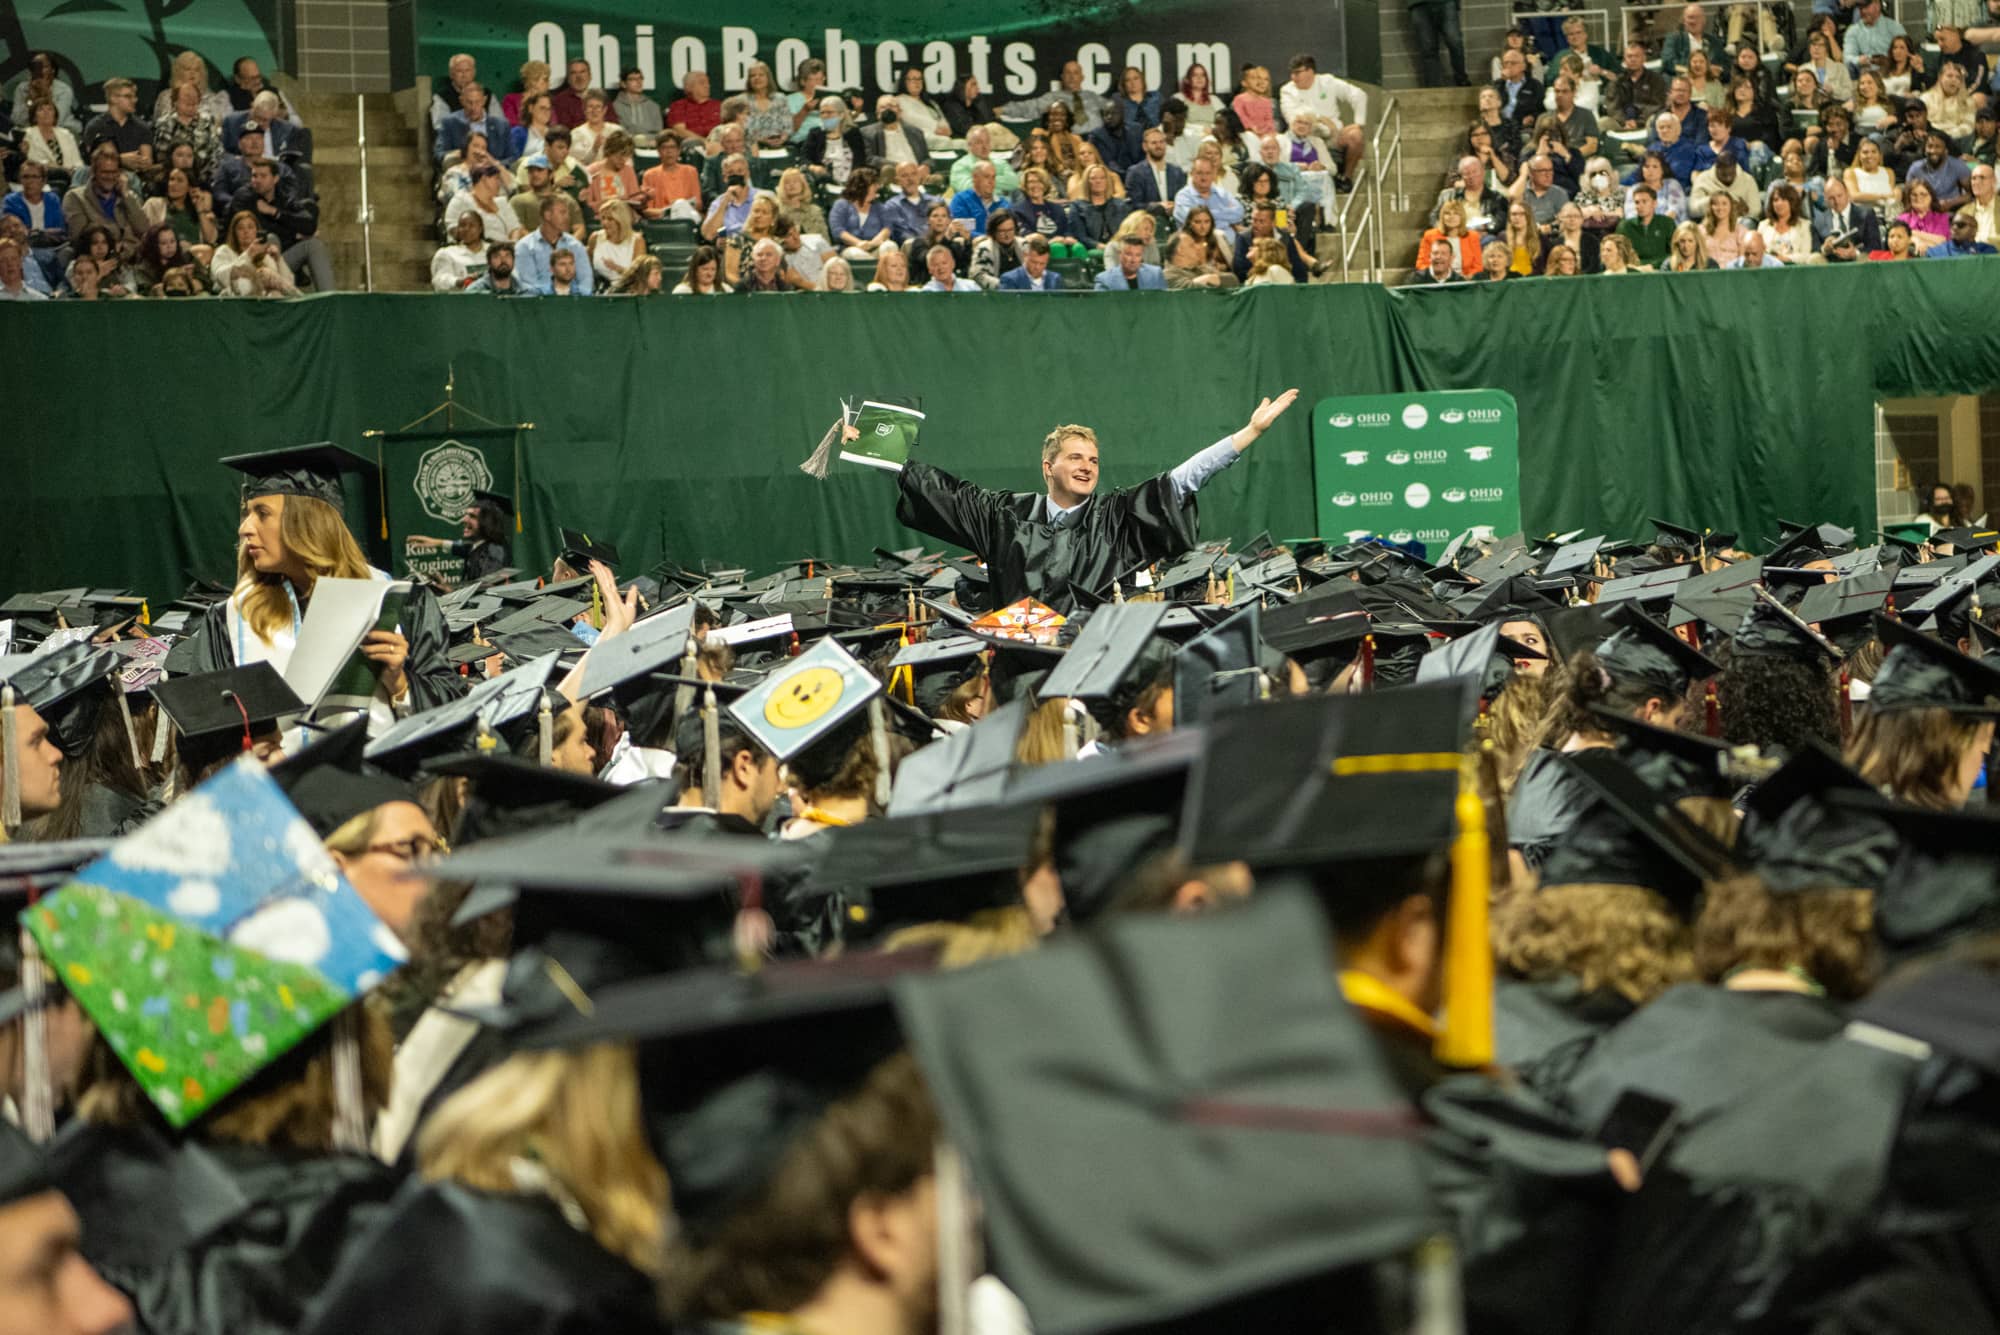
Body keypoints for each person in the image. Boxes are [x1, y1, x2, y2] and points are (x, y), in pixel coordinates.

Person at [882, 389, 1296, 612]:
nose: (1087, 466)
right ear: (1048, 467)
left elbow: (1183, 480)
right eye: (1075, 458)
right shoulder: (1006, 514)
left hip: (1086, 658)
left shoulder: (1115, 517)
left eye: (1094, 460)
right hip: (1017, 661)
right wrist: (875, 443)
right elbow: (941, 490)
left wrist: (1248, 435)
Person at [236, 155, 334, 291]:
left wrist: (275, 212)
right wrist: (294, 234)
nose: (256, 180)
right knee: (271, 238)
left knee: (314, 245)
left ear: (275, 179)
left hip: (280, 261)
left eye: (263, 176)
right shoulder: (244, 197)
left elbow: (309, 226)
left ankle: (328, 301)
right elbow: (257, 233)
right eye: (254, 176)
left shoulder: (284, 198)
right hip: (252, 260)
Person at [62, 142, 147, 251]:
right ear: (93, 172)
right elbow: (79, 239)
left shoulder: (128, 196)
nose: (110, 177)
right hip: (97, 259)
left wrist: (126, 196)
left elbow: (143, 229)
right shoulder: (75, 198)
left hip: (132, 257)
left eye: (114, 172)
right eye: (105, 172)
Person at [1000, 58, 1109, 133]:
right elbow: (1030, 106)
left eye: (1075, 73)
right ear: (1062, 77)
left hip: (1094, 142)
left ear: (1082, 77)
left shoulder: (1092, 96)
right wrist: (1003, 110)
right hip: (1069, 140)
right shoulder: (1052, 98)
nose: (1072, 77)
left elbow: (1113, 108)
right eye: (1068, 73)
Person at [515, 193, 592, 294]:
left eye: (567, 213)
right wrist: (553, 297)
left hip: (574, 302)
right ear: (548, 215)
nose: (567, 217)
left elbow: (586, 282)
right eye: (562, 213)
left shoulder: (575, 245)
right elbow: (527, 285)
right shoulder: (525, 246)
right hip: (538, 304)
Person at [81, 77, 152, 175]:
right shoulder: (95, 126)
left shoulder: (142, 127)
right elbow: (92, 161)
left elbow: (146, 162)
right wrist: (120, 160)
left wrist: (142, 162)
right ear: (113, 98)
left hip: (134, 178)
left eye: (134, 97)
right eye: (128, 96)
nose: (134, 100)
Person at [444, 161, 524, 244]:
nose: (499, 183)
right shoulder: (461, 200)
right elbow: (452, 228)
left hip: (504, 251)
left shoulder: (502, 202)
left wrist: (512, 244)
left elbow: (515, 228)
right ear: (484, 178)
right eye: (496, 178)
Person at [1814, 175, 1884, 260]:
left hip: (1859, 264)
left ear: (1847, 193)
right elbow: (1814, 250)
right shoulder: (1819, 220)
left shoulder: (1866, 214)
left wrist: (1856, 253)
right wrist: (1825, 249)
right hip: (1831, 265)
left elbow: (1875, 246)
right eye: (1831, 198)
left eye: (1840, 196)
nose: (1837, 201)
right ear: (1825, 199)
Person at [801, 97, 865, 184]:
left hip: (851, 181)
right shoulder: (815, 134)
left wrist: (854, 176)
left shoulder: (853, 133)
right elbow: (804, 157)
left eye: (830, 112)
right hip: (823, 180)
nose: (825, 116)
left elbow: (860, 159)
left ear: (841, 115)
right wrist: (813, 167)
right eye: (822, 113)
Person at [1408, 0, 1470, 87]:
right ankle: (1434, 87)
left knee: (1455, 42)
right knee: (1428, 49)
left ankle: (1461, 79)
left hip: (1446, 2)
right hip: (1419, 4)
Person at [586, 198, 645, 287]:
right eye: (603, 218)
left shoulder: (637, 240)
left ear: (621, 221)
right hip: (599, 289)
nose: (604, 222)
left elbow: (639, 275)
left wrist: (617, 268)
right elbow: (586, 266)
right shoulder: (595, 237)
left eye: (610, 219)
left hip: (628, 288)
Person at [639, 134, 701, 218]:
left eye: (672, 147)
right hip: (662, 219)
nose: (669, 151)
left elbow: (698, 204)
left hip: (687, 218)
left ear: (679, 150)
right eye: (664, 147)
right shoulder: (650, 175)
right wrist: (670, 211)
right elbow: (646, 210)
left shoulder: (691, 171)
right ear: (658, 151)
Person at [1617, 183, 1676, 266]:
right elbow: (1620, 255)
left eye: (1644, 201)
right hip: (1635, 270)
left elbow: (1674, 253)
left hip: (1662, 270)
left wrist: (1654, 265)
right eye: (1637, 202)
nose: (1640, 206)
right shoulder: (1625, 226)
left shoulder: (1667, 223)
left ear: (1654, 204)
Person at [1662, 3, 1725, 75]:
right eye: (1690, 17)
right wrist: (1695, 69)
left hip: (1708, 83)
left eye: (1698, 17)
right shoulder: (1674, 39)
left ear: (1704, 20)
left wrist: (1719, 71)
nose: (1694, 21)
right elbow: (1668, 63)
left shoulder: (1714, 42)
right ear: (1684, 20)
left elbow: (1725, 66)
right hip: (1682, 81)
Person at [1094, 232, 1168, 291]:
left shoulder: (1155, 275)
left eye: (1138, 255)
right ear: (1120, 254)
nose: (1133, 260)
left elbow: (1165, 304)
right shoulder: (1104, 280)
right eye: (1129, 254)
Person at [1492, 48, 1545, 130]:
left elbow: (1541, 110)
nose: (1508, 66)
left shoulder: (1535, 85)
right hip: (1500, 128)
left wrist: (1533, 117)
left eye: (1513, 63)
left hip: (1523, 128)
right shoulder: (1497, 85)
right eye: (1505, 63)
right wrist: (1502, 83)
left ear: (1523, 66)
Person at [949, 161, 1003, 235]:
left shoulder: (1003, 203)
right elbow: (961, 230)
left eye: (993, 177)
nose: (991, 181)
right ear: (975, 178)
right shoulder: (961, 200)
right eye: (986, 177)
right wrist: (987, 240)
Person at [996, 234, 1064, 290]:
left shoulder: (1055, 279)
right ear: (1025, 256)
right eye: (1034, 262)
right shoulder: (1009, 279)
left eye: (1042, 263)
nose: (1037, 267)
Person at [1701, 188, 1750, 264]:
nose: (1720, 208)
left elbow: (1743, 262)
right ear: (1710, 207)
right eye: (1716, 204)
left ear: (1731, 207)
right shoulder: (1701, 230)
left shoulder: (1741, 231)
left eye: (1724, 204)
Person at [1896, 177, 1952, 244]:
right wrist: (1916, 241)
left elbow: (1942, 241)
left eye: (1923, 194)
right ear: (1909, 197)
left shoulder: (1942, 217)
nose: (1918, 197)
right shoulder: (1902, 218)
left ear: (1931, 197)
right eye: (1914, 195)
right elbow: (1899, 241)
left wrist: (1913, 233)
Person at [666, 70, 718, 141]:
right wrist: (704, 142)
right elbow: (680, 131)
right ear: (688, 87)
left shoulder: (718, 106)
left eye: (708, 83)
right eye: (702, 83)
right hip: (690, 144)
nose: (707, 86)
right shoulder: (678, 106)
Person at [1925, 208, 1998, 256]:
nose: (1954, 228)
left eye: (1960, 225)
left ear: (1974, 231)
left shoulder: (1987, 251)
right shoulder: (1936, 252)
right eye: (1952, 224)